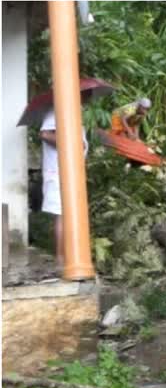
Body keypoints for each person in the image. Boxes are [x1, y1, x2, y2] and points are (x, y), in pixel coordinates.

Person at [40, 108, 89, 268]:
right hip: (58, 172)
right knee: (61, 215)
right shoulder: (55, 112)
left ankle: (70, 256)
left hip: (71, 173)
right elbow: (45, 134)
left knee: (70, 214)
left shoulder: (72, 111)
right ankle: (60, 259)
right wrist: (72, 142)